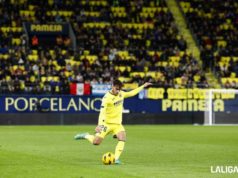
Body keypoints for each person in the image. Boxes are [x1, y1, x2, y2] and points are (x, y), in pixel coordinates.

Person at [74, 79, 152, 164]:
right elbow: (102, 112)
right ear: (112, 86)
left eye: (119, 89)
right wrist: (99, 125)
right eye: (117, 88)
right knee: (96, 142)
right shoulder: (106, 98)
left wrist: (143, 86)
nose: (118, 91)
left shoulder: (121, 93)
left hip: (117, 124)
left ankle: (116, 159)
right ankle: (86, 135)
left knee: (122, 137)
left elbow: (131, 93)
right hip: (106, 124)